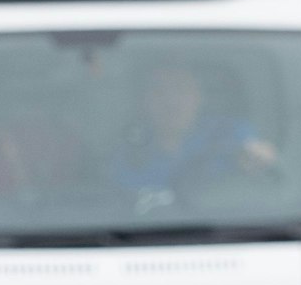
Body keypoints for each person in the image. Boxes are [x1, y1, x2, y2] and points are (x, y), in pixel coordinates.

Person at [114, 63, 280, 200]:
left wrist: (262, 158)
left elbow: (258, 155)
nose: (171, 101)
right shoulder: (130, 157)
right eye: (158, 91)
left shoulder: (229, 132)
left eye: (181, 89)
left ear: (199, 97)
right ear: (144, 102)